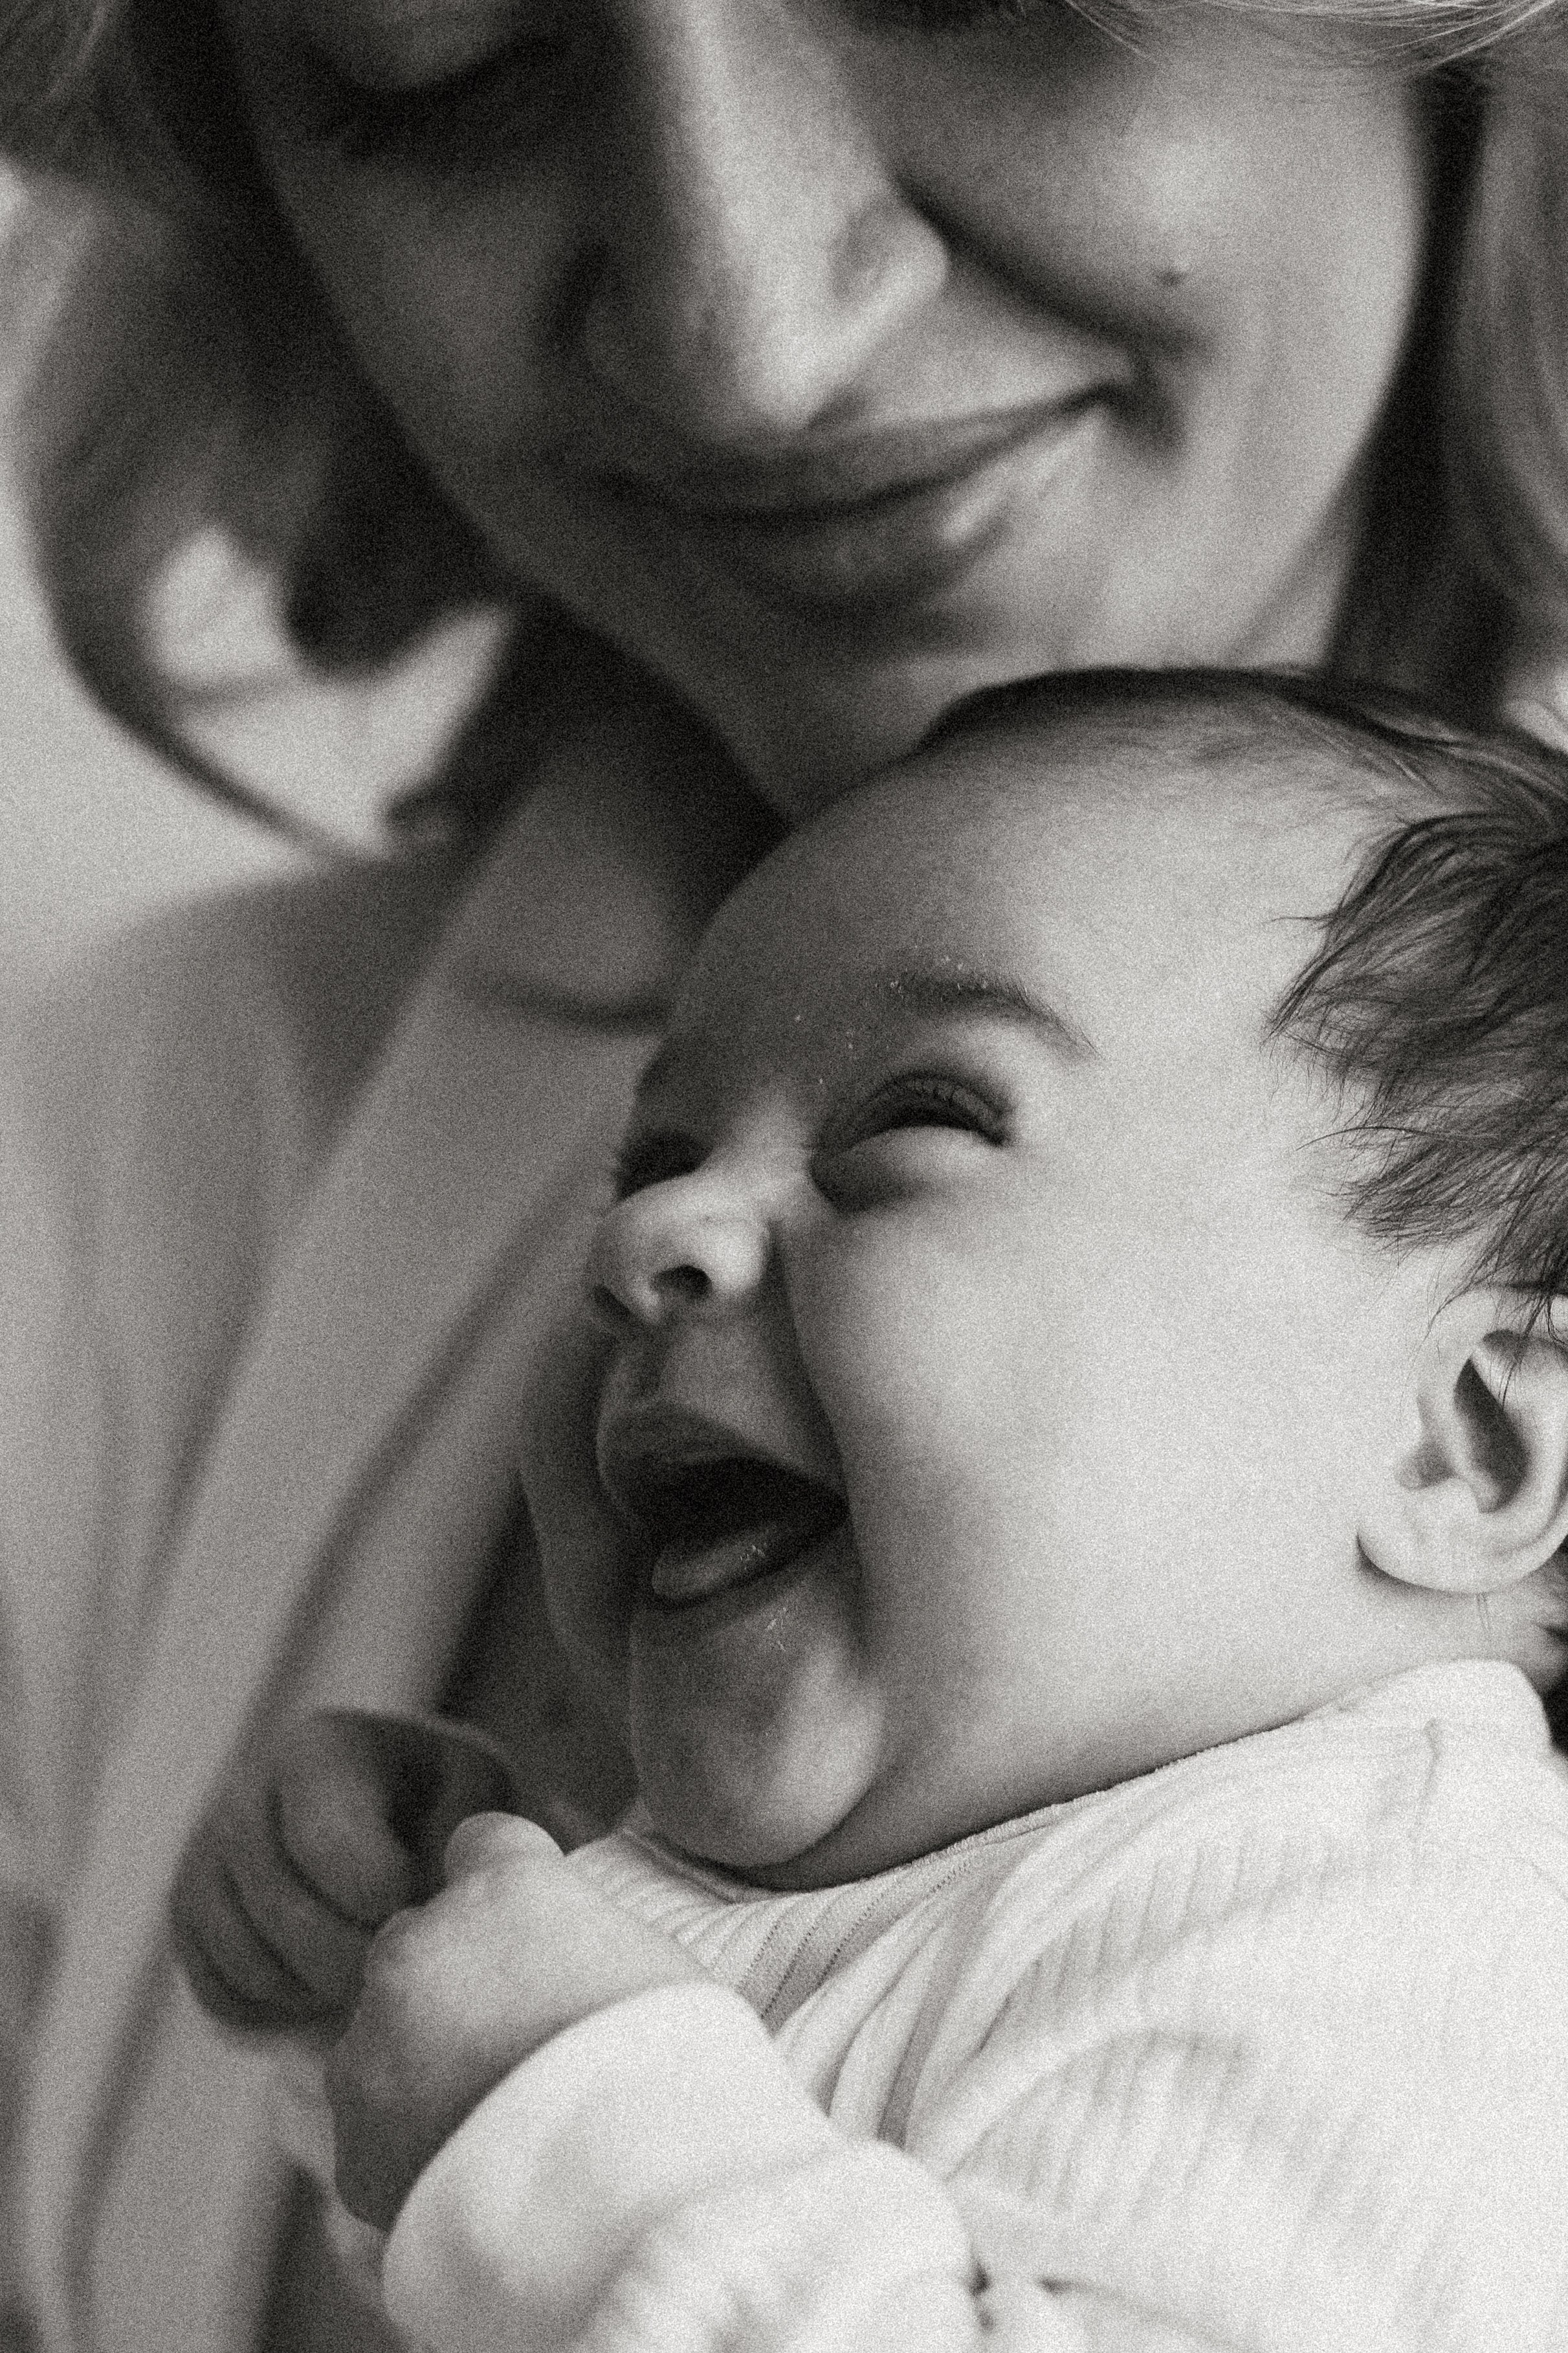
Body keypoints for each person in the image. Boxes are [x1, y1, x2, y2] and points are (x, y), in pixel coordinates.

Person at [5, 5, 1568, 2350]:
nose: (745, 335)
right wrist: (400, 2034)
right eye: (437, 54)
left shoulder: (1371, 1922)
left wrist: (560, 2117)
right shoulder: (147, 1129)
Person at [173, 671, 1568, 2352]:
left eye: (921, 1117)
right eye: (654, 1156)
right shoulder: (895, 1873)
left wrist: (571, 2130)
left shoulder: (1405, 1941)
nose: (659, 1229)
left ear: (1464, 1446)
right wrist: (402, 1995)